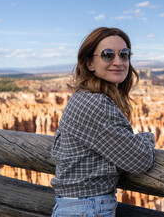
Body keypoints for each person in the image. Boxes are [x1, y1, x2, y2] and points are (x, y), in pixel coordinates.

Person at [50, 27, 155, 217]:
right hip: (87, 209)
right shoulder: (95, 103)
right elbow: (140, 160)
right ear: (90, 63)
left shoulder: (83, 96)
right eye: (108, 55)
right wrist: (147, 138)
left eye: (124, 55)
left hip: (78, 207)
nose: (118, 62)